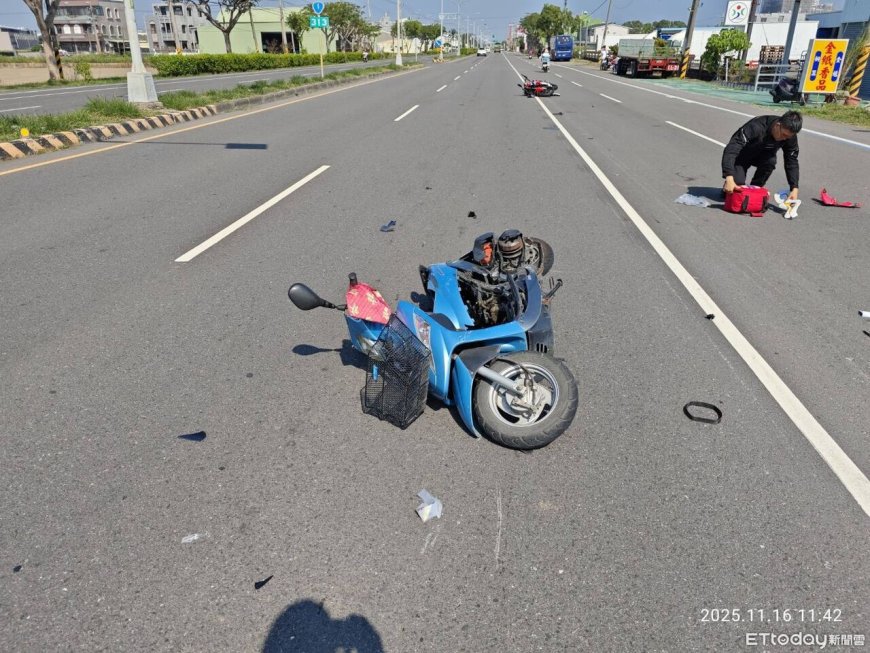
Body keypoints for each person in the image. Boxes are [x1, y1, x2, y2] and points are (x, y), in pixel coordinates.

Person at [721, 110, 802, 201]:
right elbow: (732, 148)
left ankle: (755, 189)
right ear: (777, 125)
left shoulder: (789, 136)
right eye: (784, 135)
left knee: (770, 161)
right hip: (742, 155)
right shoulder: (756, 126)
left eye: (788, 137)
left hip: (763, 157)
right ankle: (729, 185)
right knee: (735, 190)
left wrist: (794, 188)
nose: (785, 139)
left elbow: (791, 160)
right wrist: (729, 176)